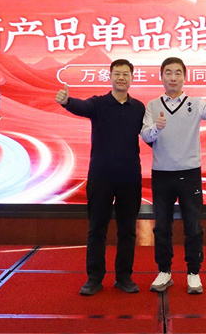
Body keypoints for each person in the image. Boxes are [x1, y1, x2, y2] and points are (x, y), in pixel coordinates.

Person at [140, 57, 206, 294]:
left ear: (184, 77)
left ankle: (193, 272)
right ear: (161, 76)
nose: (173, 77)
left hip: (189, 174)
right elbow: (145, 136)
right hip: (162, 174)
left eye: (178, 73)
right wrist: (156, 128)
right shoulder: (152, 105)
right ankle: (164, 271)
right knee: (162, 226)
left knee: (193, 225)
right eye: (168, 73)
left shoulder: (196, 103)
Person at [55, 59, 146, 296]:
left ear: (132, 78)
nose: (121, 78)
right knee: (97, 228)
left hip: (130, 177)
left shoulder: (139, 108)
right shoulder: (98, 104)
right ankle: (94, 278)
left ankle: (124, 277)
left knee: (127, 230)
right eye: (117, 74)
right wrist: (66, 101)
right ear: (110, 76)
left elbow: (150, 134)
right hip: (101, 176)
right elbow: (81, 106)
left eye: (125, 74)